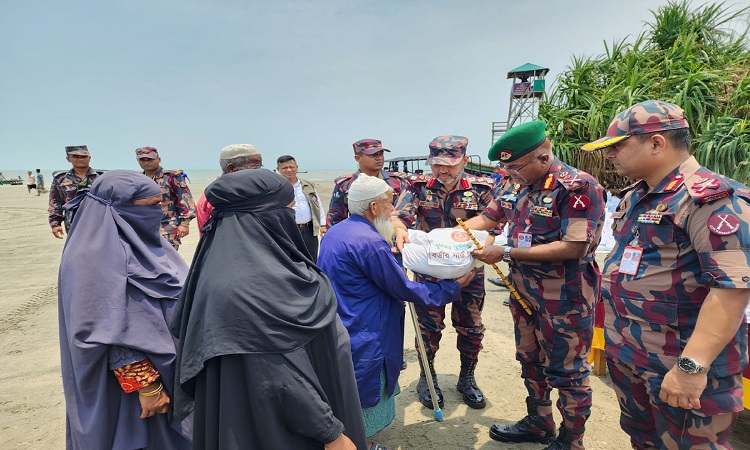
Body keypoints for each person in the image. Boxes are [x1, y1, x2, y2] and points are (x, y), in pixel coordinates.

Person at [581, 99, 750, 450]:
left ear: (656, 143)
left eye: (617, 146)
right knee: (644, 440)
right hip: (633, 354)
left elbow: (731, 291)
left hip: (679, 361)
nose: (610, 155)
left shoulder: (711, 199)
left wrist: (691, 369)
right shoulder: (639, 196)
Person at [171, 169, 367, 450]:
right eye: (287, 210)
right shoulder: (242, 288)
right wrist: (331, 433)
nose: (293, 219)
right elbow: (277, 378)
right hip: (278, 429)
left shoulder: (240, 267)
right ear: (261, 216)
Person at [460, 120, 606, 450]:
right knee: (530, 359)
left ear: (542, 157)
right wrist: (437, 239)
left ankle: (571, 440)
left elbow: (575, 246)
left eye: (514, 166)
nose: (508, 173)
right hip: (523, 292)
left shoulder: (577, 187)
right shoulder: (515, 184)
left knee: (568, 372)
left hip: (565, 298)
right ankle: (539, 422)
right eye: (505, 167)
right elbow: (487, 219)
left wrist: (506, 251)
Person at [318, 174, 474, 442]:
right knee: (365, 386)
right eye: (389, 204)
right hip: (366, 324)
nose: (393, 210)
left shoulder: (338, 231)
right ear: (374, 208)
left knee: (346, 382)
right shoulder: (369, 241)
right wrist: (452, 287)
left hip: (342, 317)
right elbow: (402, 288)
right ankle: (359, 441)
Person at [57, 170, 192, 449]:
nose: (159, 213)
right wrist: (147, 386)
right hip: (133, 390)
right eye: (150, 207)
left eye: (160, 204)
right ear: (117, 211)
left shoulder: (147, 243)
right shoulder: (91, 256)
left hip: (168, 371)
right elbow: (100, 329)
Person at [391, 135, 497, 410]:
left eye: (449, 164)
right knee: (428, 329)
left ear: (464, 159)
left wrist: (480, 256)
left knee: (471, 328)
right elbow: (399, 216)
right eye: (437, 164)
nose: (443, 171)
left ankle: (467, 378)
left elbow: (495, 226)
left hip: (471, 272)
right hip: (431, 272)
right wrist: (400, 229)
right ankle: (427, 378)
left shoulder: (482, 188)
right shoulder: (417, 187)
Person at [327, 139, 409, 228]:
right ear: (358, 158)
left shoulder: (398, 181)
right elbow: (336, 220)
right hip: (361, 236)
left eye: (381, 154)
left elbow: (406, 213)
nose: (379, 158)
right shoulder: (345, 185)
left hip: (393, 233)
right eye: (373, 155)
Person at [136, 147, 196, 250]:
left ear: (159, 159)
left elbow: (186, 200)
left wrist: (184, 224)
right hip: (144, 227)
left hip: (168, 227)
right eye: (142, 160)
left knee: (168, 261)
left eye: (150, 159)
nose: (146, 163)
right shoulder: (137, 179)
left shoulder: (172, 177)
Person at [194, 144, 264, 231]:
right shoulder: (210, 200)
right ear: (232, 168)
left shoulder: (260, 191)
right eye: (255, 168)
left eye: (261, 167)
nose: (261, 173)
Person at [277, 155, 327, 262]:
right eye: (284, 168)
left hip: (309, 229)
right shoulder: (276, 188)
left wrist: (322, 224)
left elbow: (318, 205)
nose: (289, 170)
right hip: (289, 230)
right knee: (293, 260)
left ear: (297, 167)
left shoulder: (307, 185)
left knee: (312, 259)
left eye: (291, 167)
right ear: (278, 170)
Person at [49, 145, 101, 239]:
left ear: (89, 158)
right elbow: (56, 201)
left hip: (99, 223)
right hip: (73, 224)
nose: (80, 159)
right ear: (68, 159)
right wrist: (55, 224)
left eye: (84, 156)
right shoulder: (61, 179)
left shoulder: (101, 177)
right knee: (78, 252)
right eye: (76, 157)